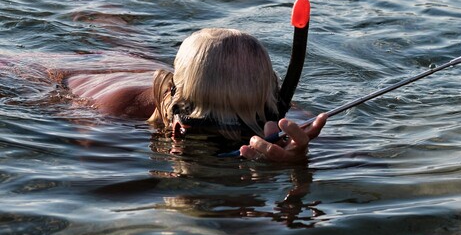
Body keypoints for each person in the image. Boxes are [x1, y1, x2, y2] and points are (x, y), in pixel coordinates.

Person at [65, 28, 327, 162]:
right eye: (203, 128)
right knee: (111, 27)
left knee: (130, 42)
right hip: (74, 71)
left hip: (147, 65)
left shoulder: (276, 113)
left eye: (245, 130)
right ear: (169, 97)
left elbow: (358, 162)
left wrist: (297, 159)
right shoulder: (116, 111)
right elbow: (100, 179)